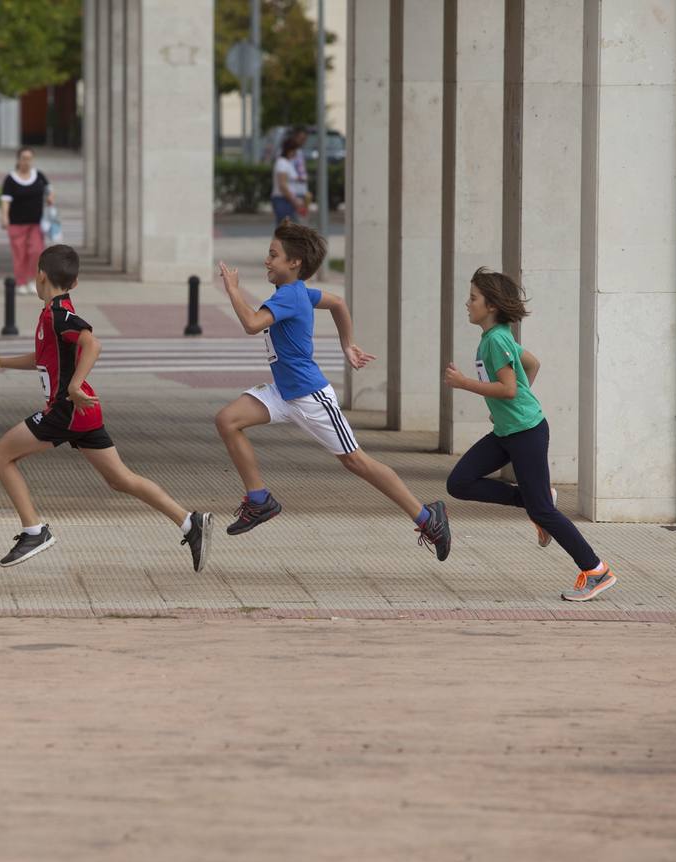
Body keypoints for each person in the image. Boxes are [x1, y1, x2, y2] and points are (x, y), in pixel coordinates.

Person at [213, 220, 453, 560]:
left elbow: (252, 324)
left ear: (294, 263)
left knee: (357, 462)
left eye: (273, 255)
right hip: (283, 393)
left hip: (311, 397)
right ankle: (259, 500)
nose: (267, 261)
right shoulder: (298, 294)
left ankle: (429, 519)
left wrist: (234, 291)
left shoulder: (290, 296)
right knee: (227, 420)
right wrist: (348, 344)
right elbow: (337, 302)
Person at [0, 244, 213, 570]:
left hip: (66, 410)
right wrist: (0, 362)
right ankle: (190, 522)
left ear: (40, 275)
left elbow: (92, 343)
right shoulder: (52, 315)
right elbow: (45, 360)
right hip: (82, 412)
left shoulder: (61, 315)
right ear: (74, 282)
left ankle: (35, 531)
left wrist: (74, 385)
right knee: (120, 479)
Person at [443, 267, 618, 602]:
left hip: (525, 432)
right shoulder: (499, 335)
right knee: (460, 482)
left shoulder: (495, 341)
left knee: (543, 512)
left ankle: (596, 570)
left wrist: (465, 383)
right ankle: (533, 499)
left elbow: (509, 389)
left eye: (473, 298)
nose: (468, 303)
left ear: (491, 305)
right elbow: (533, 364)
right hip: (511, 429)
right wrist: (513, 407)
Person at [0, 148, 54, 295]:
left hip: (36, 224)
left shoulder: (39, 176)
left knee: (36, 251)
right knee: (20, 253)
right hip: (17, 224)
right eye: (24, 158)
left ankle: (32, 280)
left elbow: (49, 189)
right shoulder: (11, 179)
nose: (27, 161)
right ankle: (21, 281)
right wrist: (4, 217)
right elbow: (5, 200)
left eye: (29, 158)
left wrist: (50, 198)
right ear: (18, 159)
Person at [270, 137, 309, 224]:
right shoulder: (282, 163)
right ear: (290, 150)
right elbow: (282, 185)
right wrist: (294, 200)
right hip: (282, 200)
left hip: (287, 200)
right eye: (295, 151)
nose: (296, 154)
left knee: (287, 230)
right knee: (285, 230)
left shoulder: (287, 163)